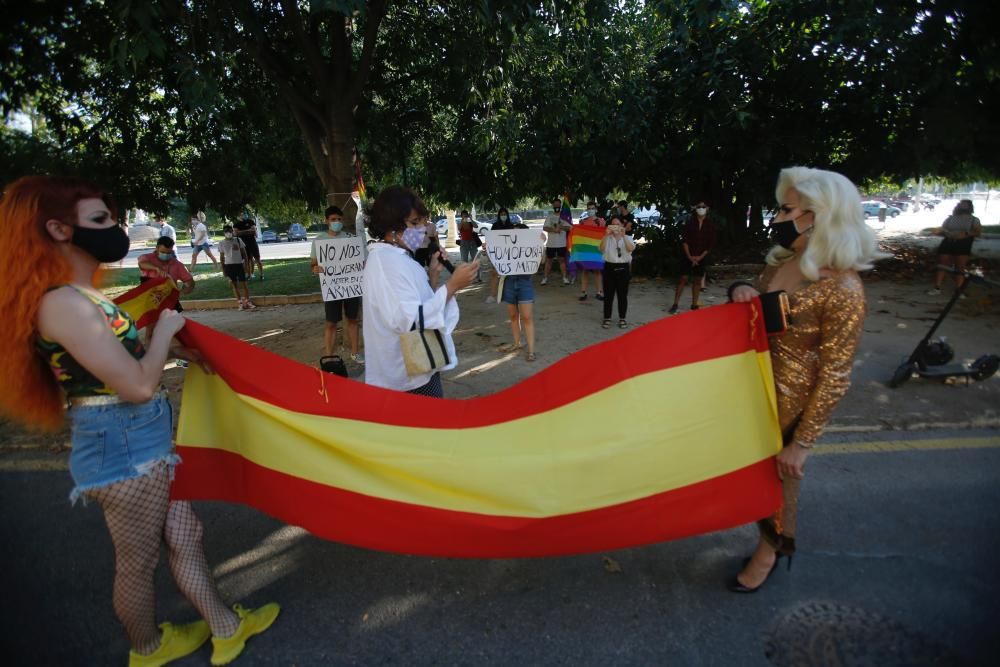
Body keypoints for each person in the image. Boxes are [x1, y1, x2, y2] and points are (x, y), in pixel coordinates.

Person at [0, 176, 279, 666]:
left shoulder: (81, 295)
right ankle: (147, 648)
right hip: (121, 444)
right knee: (138, 562)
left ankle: (225, 627)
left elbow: (113, 358)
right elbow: (135, 384)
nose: (116, 228)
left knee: (185, 534)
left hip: (138, 436)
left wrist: (181, 348)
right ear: (59, 229)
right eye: (101, 220)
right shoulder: (62, 304)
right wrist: (167, 329)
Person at [727, 166, 886, 593]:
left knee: (780, 481)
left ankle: (771, 550)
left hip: (791, 406)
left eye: (786, 208)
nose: (776, 217)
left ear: (817, 216)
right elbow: (755, 301)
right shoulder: (787, 262)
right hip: (751, 392)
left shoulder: (844, 289)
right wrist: (742, 289)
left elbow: (835, 374)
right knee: (748, 475)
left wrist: (804, 441)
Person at [361, 185, 477, 396]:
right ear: (392, 226)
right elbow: (411, 320)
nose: (422, 229)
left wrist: (432, 276)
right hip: (406, 379)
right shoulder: (386, 262)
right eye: (415, 223)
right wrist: (452, 286)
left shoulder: (400, 257)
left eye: (423, 222)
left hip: (420, 362)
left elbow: (417, 307)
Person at [311, 205, 363, 363]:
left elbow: (361, 260)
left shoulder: (350, 238)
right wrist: (315, 268)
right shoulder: (319, 241)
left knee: (353, 320)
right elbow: (313, 263)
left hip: (351, 288)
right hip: (332, 288)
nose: (337, 222)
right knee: (331, 323)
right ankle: (329, 356)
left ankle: (355, 353)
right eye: (333, 219)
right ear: (326, 221)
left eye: (339, 219)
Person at [668, 201, 717, 313]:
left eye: (703, 207)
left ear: (707, 208)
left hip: (701, 256)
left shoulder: (710, 225)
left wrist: (700, 257)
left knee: (697, 281)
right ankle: (675, 303)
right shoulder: (689, 223)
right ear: (695, 209)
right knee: (683, 279)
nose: (701, 208)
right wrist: (689, 256)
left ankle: (694, 304)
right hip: (687, 255)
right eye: (699, 207)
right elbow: (685, 241)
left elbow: (710, 244)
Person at [928, 199, 981, 297]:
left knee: (960, 267)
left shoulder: (974, 219)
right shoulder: (950, 218)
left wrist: (966, 233)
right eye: (960, 204)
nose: (962, 206)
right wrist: (940, 231)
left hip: (963, 243)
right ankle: (937, 287)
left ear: (970, 207)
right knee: (942, 265)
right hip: (948, 242)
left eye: (965, 204)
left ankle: (959, 290)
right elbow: (943, 228)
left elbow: (978, 232)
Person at [137, 236, 195, 312]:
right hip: (149, 299)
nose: (166, 255)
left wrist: (183, 291)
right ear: (157, 248)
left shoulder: (177, 264)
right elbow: (142, 264)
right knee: (151, 321)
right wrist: (156, 268)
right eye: (163, 252)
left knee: (172, 322)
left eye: (169, 253)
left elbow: (190, 281)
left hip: (169, 301)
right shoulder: (147, 258)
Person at [599, 215, 635, 329]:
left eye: (618, 224)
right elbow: (601, 249)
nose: (616, 227)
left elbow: (630, 249)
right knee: (608, 295)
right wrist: (606, 235)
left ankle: (622, 318)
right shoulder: (607, 238)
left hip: (623, 268)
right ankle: (607, 318)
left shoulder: (628, 238)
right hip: (609, 267)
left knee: (622, 295)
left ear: (622, 225)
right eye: (613, 225)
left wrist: (623, 236)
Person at [487, 207, 526, 303]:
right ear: (499, 215)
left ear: (507, 215)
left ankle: (509, 295)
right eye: (501, 214)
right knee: (495, 273)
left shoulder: (511, 225)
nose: (503, 216)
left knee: (509, 276)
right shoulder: (495, 226)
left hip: (509, 254)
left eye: (505, 214)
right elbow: (491, 239)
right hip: (497, 254)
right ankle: (492, 295)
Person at [218, 224, 256, 310]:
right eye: (226, 231)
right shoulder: (221, 243)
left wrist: (246, 265)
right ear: (224, 233)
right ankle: (240, 303)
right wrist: (223, 270)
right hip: (229, 266)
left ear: (232, 231)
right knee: (234, 286)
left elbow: (244, 254)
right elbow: (221, 257)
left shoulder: (238, 240)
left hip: (239, 265)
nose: (229, 233)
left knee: (244, 284)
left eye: (230, 231)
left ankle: (247, 302)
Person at [576, 202, 605, 301]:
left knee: (598, 271)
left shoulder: (601, 221)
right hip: (586, 250)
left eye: (592, 208)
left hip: (597, 250)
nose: (590, 210)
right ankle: (583, 292)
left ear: (596, 209)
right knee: (585, 270)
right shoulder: (583, 222)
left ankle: (600, 292)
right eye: (589, 208)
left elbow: (604, 235)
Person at [542, 197, 571, 285]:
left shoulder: (564, 217)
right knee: (548, 261)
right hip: (551, 244)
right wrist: (553, 230)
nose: (557, 206)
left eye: (558, 205)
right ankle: (545, 278)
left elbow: (570, 227)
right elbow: (544, 227)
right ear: (553, 206)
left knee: (562, 260)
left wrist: (561, 227)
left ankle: (565, 278)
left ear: (560, 205)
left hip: (561, 244)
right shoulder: (549, 217)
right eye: (555, 205)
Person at [234, 212, 264, 281]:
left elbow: (253, 231)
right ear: (238, 216)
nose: (243, 216)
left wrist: (241, 232)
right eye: (241, 215)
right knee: (246, 260)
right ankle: (249, 275)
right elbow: (236, 233)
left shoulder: (250, 221)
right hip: (243, 244)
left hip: (252, 243)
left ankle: (261, 274)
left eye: (243, 214)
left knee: (257, 259)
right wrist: (248, 231)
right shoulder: (236, 224)